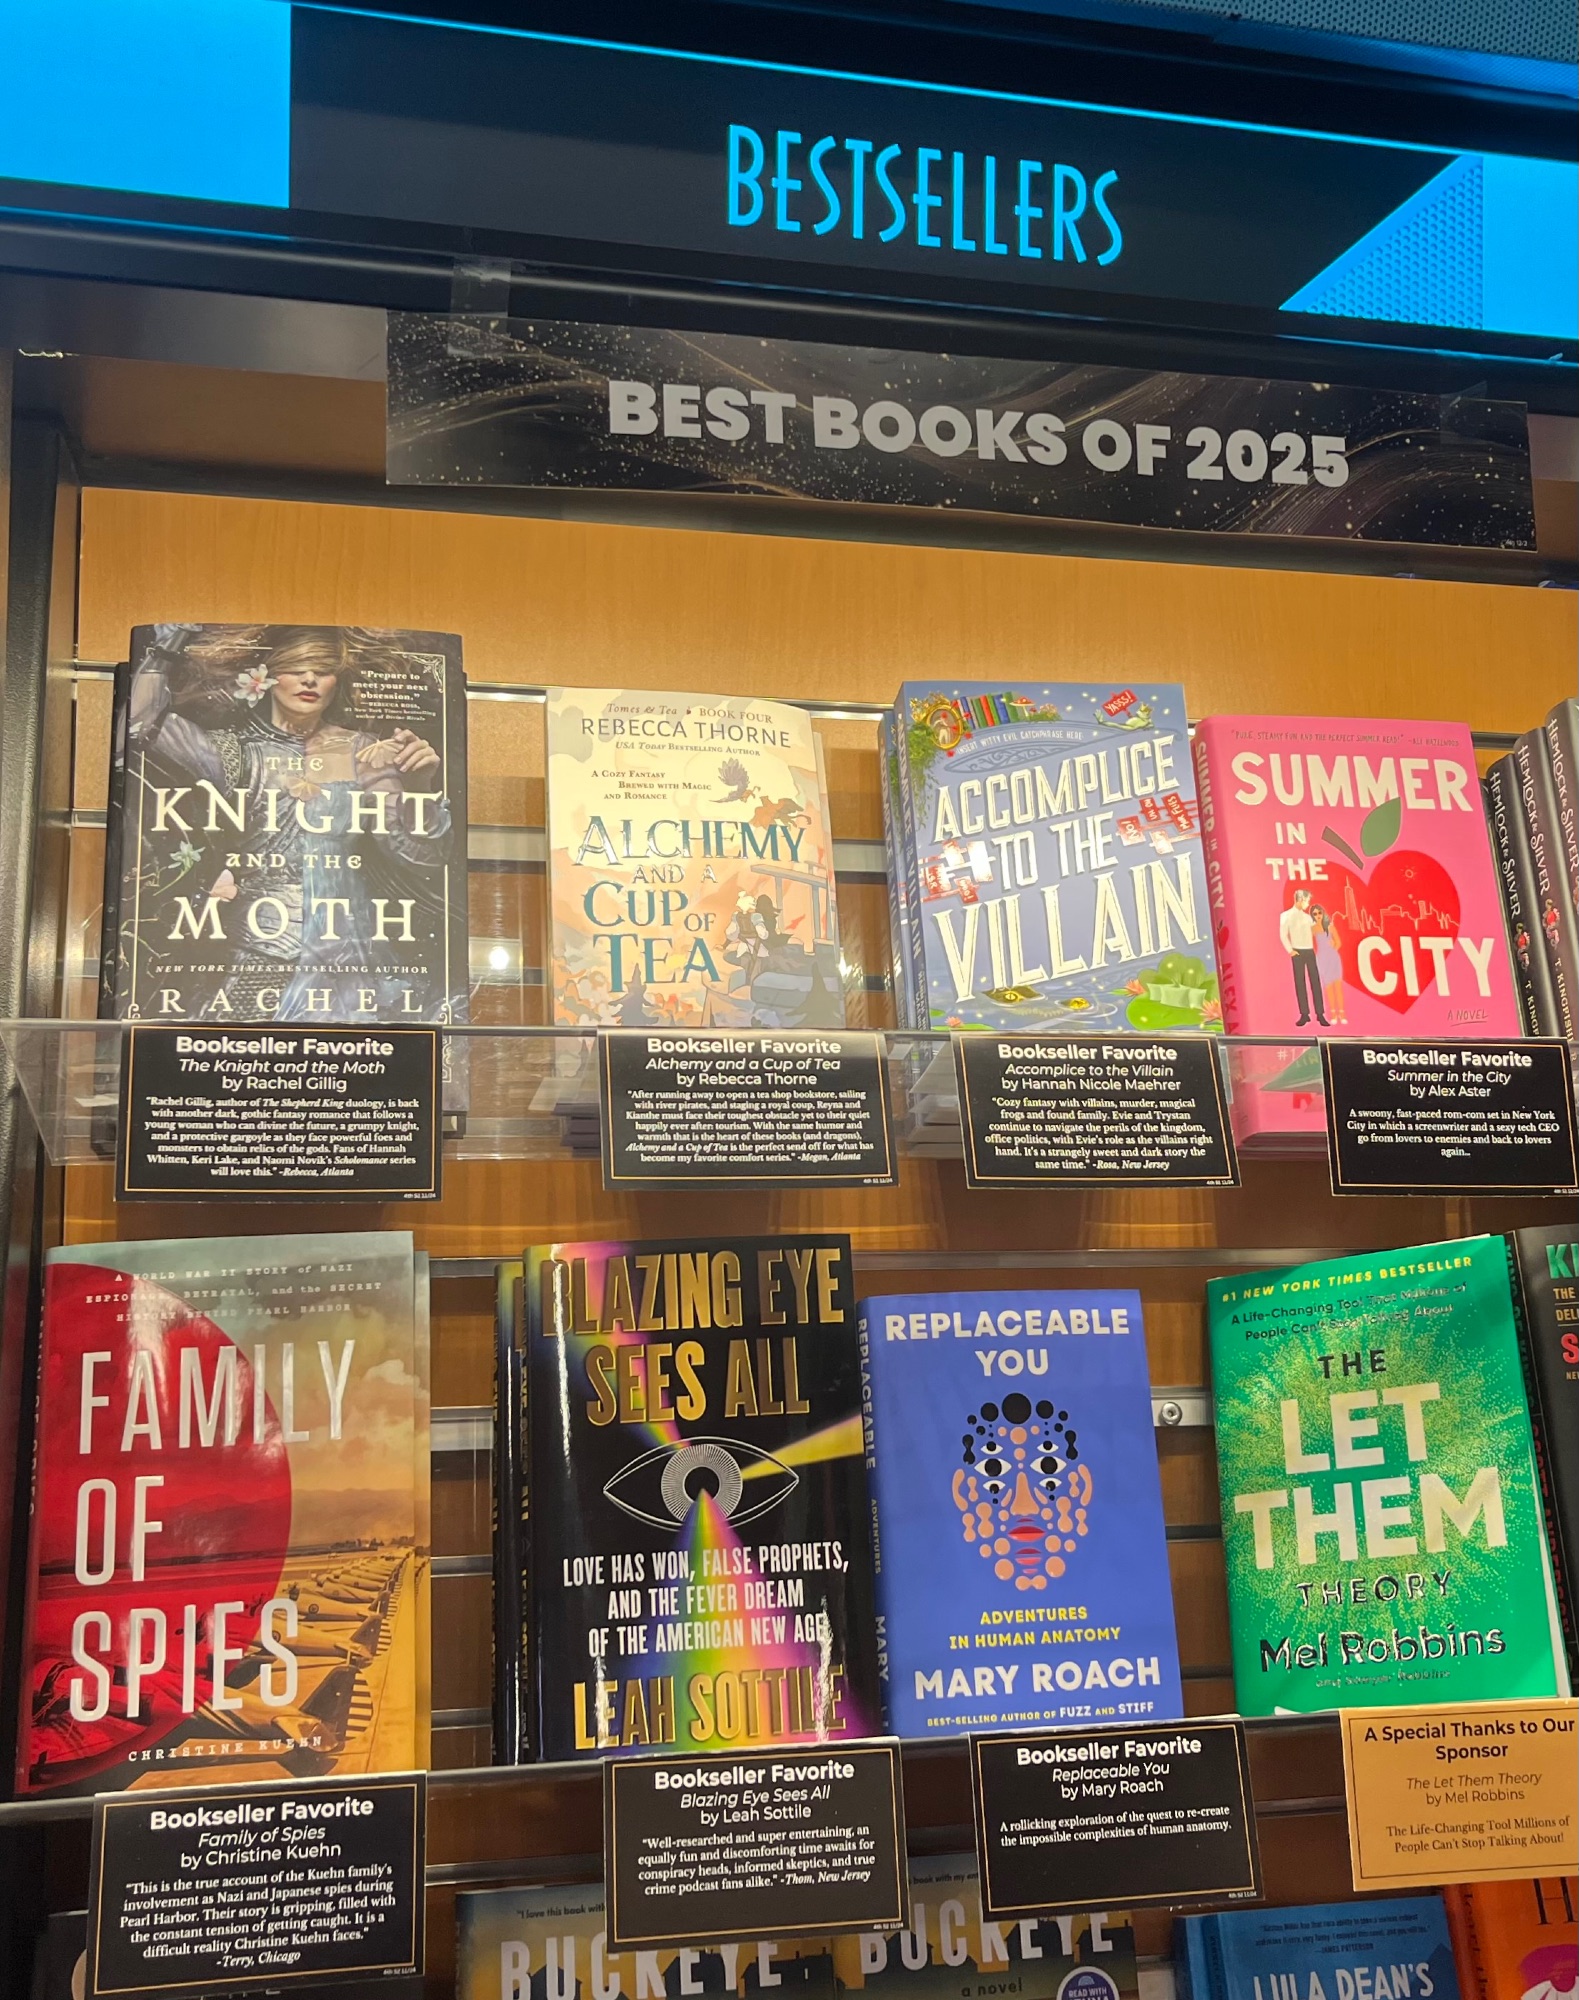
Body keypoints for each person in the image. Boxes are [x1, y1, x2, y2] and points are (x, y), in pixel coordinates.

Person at [127, 624, 452, 1022]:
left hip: (346, 948)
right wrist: (168, 644)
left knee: (350, 1052)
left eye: (323, 670)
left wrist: (419, 786)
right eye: (296, 668)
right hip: (256, 943)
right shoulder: (231, 750)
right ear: (267, 675)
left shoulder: (365, 750)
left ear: (336, 682)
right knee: (236, 1049)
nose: (309, 679)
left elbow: (420, 857)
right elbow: (140, 725)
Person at [1278, 887, 1329, 1027]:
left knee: (1315, 982)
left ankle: (1320, 1014)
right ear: (1300, 900)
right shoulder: (1286, 916)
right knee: (1300, 983)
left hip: (1309, 951)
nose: (1308, 904)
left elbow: (1317, 930)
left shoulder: (1308, 918)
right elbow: (1283, 934)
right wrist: (1290, 950)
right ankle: (1305, 1014)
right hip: (1297, 951)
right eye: (1306, 901)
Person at [1312, 905, 1346, 1025]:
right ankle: (1333, 1014)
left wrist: (1333, 948)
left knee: (1338, 986)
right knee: (1329, 987)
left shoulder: (1330, 927)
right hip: (1322, 959)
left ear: (1323, 913)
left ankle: (1342, 1013)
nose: (1318, 916)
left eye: (1319, 913)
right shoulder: (1313, 929)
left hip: (1333, 958)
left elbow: (1339, 942)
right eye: (1315, 914)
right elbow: (1309, 943)